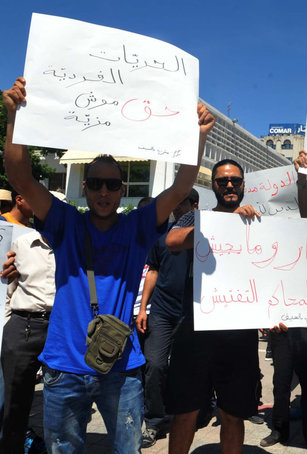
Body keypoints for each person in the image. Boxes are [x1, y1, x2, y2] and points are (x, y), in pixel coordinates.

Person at [2, 75, 214, 452]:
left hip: (122, 369)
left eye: (113, 185)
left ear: (121, 190)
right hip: (64, 366)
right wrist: (14, 118)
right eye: (96, 183)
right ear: (84, 186)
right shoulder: (65, 222)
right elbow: (20, 176)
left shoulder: (137, 228)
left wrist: (198, 137)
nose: (104, 191)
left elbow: (181, 188)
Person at [164, 158, 260, 454]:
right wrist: (217, 226)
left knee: (233, 413)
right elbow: (172, 241)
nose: (229, 185)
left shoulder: (259, 220)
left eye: (235, 181)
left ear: (244, 185)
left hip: (239, 333)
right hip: (197, 329)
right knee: (186, 412)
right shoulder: (198, 216)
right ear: (214, 186)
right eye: (222, 181)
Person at [261, 151, 307, 448]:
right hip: (281, 323)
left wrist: (301, 182)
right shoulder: (273, 241)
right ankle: (280, 429)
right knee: (280, 382)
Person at [0, 191, 64, 453]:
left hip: (60, 329)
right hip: (22, 327)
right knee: (14, 404)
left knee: (61, 402)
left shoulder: (74, 248)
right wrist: (7, 327)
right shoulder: (20, 243)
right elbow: (8, 288)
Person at [136, 189, 199, 448]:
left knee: (190, 369)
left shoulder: (207, 236)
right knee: (155, 365)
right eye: (174, 204)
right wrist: (143, 308)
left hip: (193, 314)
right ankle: (154, 421)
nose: (176, 209)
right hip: (161, 312)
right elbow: (153, 270)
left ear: (194, 205)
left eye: (181, 204)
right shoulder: (161, 234)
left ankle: (197, 410)